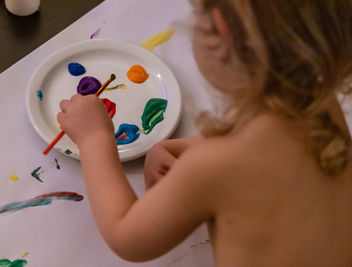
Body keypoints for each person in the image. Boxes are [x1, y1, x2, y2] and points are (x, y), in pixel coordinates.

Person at [57, 0, 352, 265]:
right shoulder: (322, 107)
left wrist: (95, 138)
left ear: (222, 34)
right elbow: (267, 158)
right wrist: (186, 149)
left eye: (196, 14)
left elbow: (126, 235)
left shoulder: (215, 166)